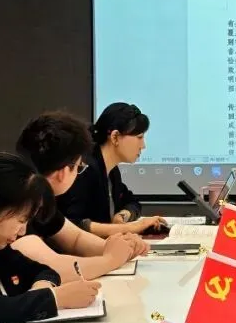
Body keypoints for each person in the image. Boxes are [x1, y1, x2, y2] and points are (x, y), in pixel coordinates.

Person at [0, 153, 102, 323]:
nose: (22, 231)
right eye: (21, 220)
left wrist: (43, 286)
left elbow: (44, 271)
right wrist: (55, 298)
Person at [14, 111, 149, 281]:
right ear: (64, 172)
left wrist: (121, 247)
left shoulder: (41, 201)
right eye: (78, 167)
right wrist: (110, 259)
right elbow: (54, 268)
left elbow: (75, 239)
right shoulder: (17, 208)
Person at [56, 102, 167, 238]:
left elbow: (131, 201)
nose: (143, 145)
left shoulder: (112, 171)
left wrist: (122, 216)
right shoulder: (84, 169)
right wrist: (131, 227)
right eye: (139, 137)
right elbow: (73, 224)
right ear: (115, 137)